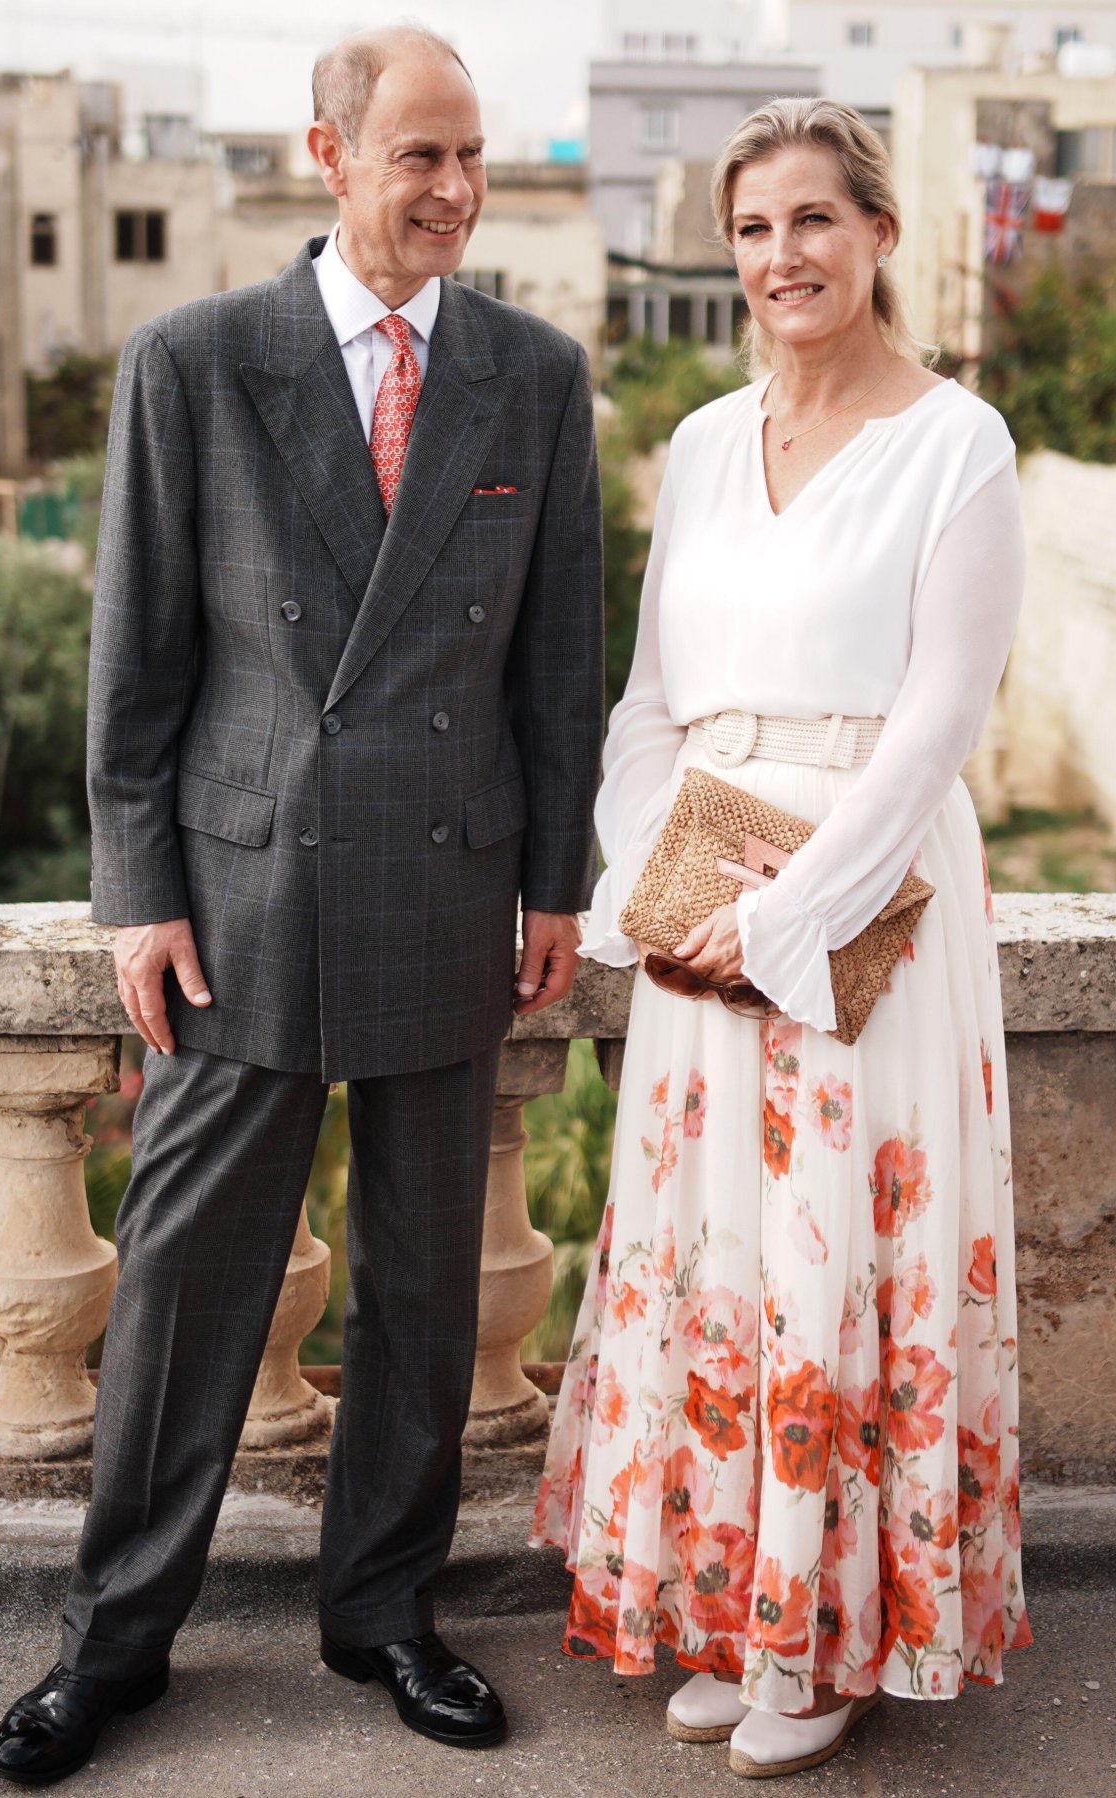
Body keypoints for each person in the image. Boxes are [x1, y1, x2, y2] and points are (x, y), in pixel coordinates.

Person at [0, 24, 603, 1785]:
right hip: (245, 889)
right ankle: (114, 1640)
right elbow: (137, 659)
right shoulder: (193, 360)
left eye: (472, 154)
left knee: (422, 1284)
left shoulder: (534, 373)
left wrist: (556, 878)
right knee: (186, 1281)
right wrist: (136, 893)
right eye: (423, 155)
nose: (459, 190)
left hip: (452, 875)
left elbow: (561, 660)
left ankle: (385, 1611)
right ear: (328, 155)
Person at [532, 96, 1032, 1780]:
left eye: (814, 219)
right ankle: (743, 1609)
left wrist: (786, 916)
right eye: (752, 228)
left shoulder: (959, 443)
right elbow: (649, 704)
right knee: (724, 1259)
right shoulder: (695, 442)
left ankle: (828, 1642)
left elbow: (938, 722)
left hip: (867, 911)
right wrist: (655, 896)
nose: (782, 256)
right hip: (703, 916)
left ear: (879, 232)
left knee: (838, 1257)